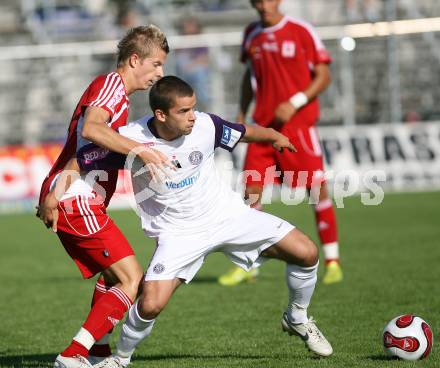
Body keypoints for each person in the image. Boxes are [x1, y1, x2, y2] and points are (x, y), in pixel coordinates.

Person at [80, 76, 333, 367]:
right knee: (150, 304)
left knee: (307, 252)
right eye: (183, 111)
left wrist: (274, 136)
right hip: (178, 234)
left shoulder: (205, 125)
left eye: (193, 108)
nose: (192, 117)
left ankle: (297, 318)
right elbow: (83, 158)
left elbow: (244, 132)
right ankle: (120, 359)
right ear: (160, 114)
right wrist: (55, 191)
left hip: (228, 216)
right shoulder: (129, 138)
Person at [36, 25, 170, 368]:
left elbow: (83, 151)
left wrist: (53, 190)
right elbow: (94, 130)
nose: (160, 73)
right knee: (131, 278)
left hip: (72, 196)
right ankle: (74, 353)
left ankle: (97, 352)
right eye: (155, 64)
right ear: (134, 59)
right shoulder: (112, 86)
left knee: (112, 277)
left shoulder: (115, 96)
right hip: (77, 200)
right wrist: (141, 150)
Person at [218, 0, 342, 286]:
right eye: (257, 0)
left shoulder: (301, 31)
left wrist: (295, 102)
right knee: (250, 193)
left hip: (297, 127)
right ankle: (250, 265)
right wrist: (240, 113)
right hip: (262, 128)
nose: (263, 5)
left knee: (316, 190)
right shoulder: (251, 34)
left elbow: (324, 76)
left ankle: (333, 261)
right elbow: (250, 77)